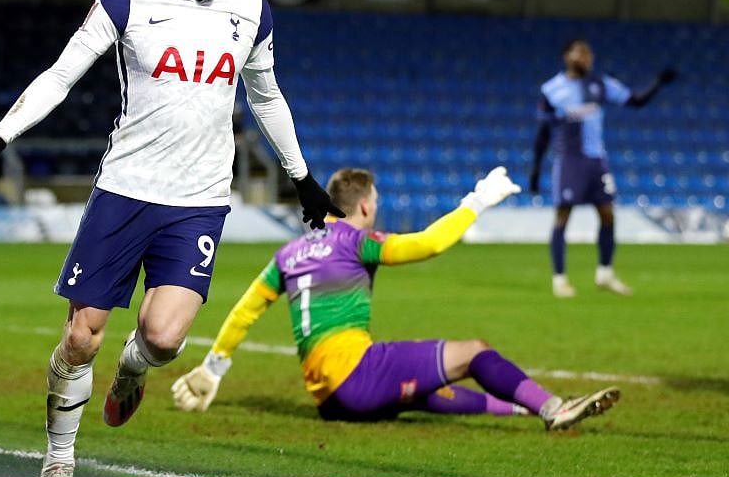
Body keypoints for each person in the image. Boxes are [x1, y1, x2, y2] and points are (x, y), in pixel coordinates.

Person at [0, 0, 344, 477]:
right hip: (126, 192)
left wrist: (303, 177)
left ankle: (132, 371)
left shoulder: (250, 10)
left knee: (163, 340)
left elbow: (267, 98)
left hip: (199, 202)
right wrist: (1, 136)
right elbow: (60, 75)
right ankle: (59, 457)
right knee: (81, 336)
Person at [172, 167, 620, 430]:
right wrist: (476, 202)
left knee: (426, 391)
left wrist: (214, 366)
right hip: (359, 377)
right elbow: (427, 244)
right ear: (364, 206)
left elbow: (247, 309)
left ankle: (520, 406)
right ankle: (552, 408)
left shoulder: (289, 253)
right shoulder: (355, 242)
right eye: (376, 201)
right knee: (475, 353)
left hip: (330, 402)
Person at [530, 40, 677, 298]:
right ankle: (560, 279)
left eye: (589, 53)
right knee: (563, 216)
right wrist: (536, 169)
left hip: (597, 161)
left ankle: (605, 274)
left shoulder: (600, 84)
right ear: (566, 55)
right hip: (570, 160)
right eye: (580, 52)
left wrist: (657, 83)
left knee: (608, 215)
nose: (585, 57)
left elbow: (635, 100)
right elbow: (543, 130)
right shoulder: (552, 89)